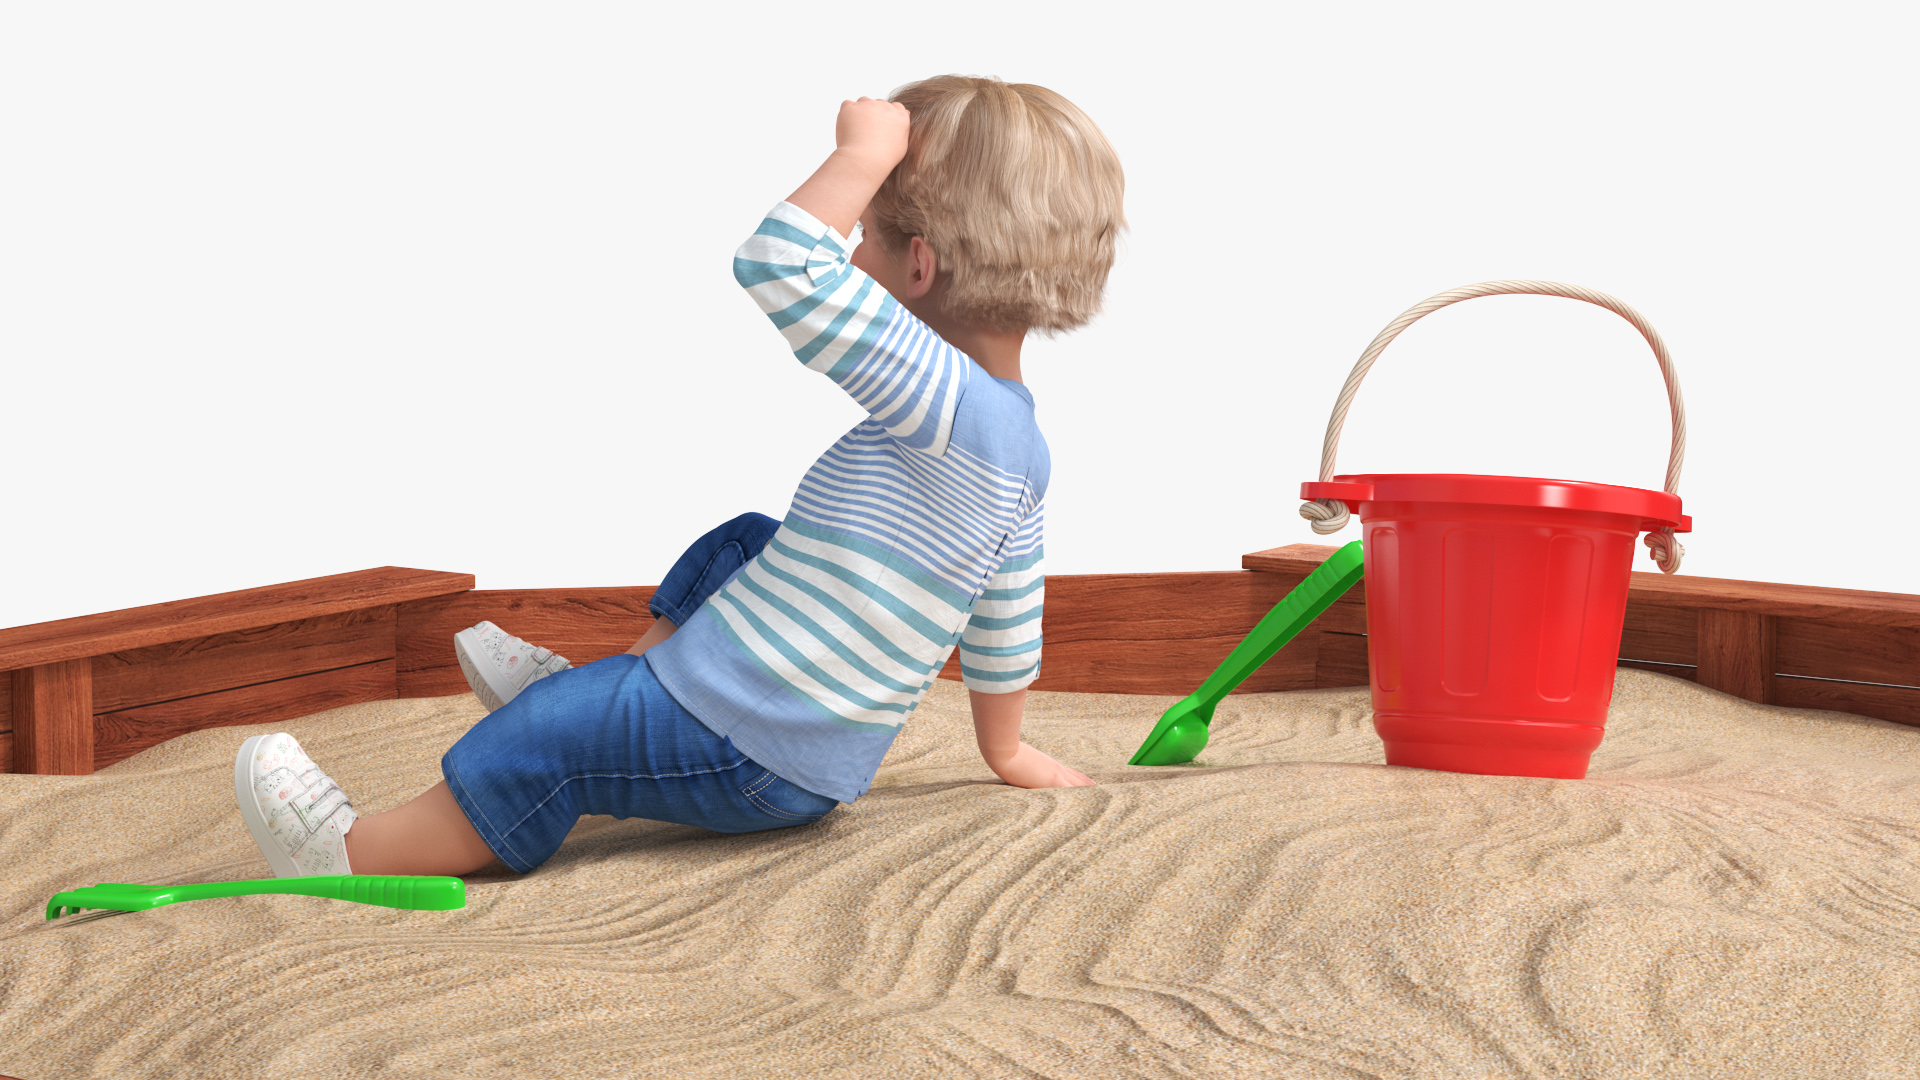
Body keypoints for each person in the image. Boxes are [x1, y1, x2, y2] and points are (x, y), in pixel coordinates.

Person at [232, 76, 1126, 880]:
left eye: (870, 242)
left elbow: (780, 263)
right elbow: (1006, 612)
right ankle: (631, 678)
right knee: (746, 541)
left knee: (551, 743)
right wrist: (1006, 752)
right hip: (813, 760)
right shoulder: (1020, 444)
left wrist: (859, 157)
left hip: (750, 750)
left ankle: (355, 852)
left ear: (920, 268)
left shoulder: (944, 396)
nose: (853, 259)